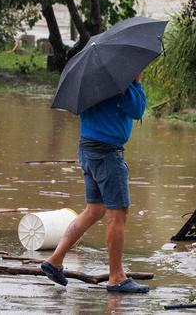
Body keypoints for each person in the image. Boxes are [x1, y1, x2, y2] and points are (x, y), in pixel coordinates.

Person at [41, 73, 148, 293]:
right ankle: (116, 277)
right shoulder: (119, 83)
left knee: (94, 210)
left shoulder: (89, 81)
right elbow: (137, 110)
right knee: (118, 215)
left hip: (88, 148)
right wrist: (136, 82)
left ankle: (55, 259)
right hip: (107, 154)